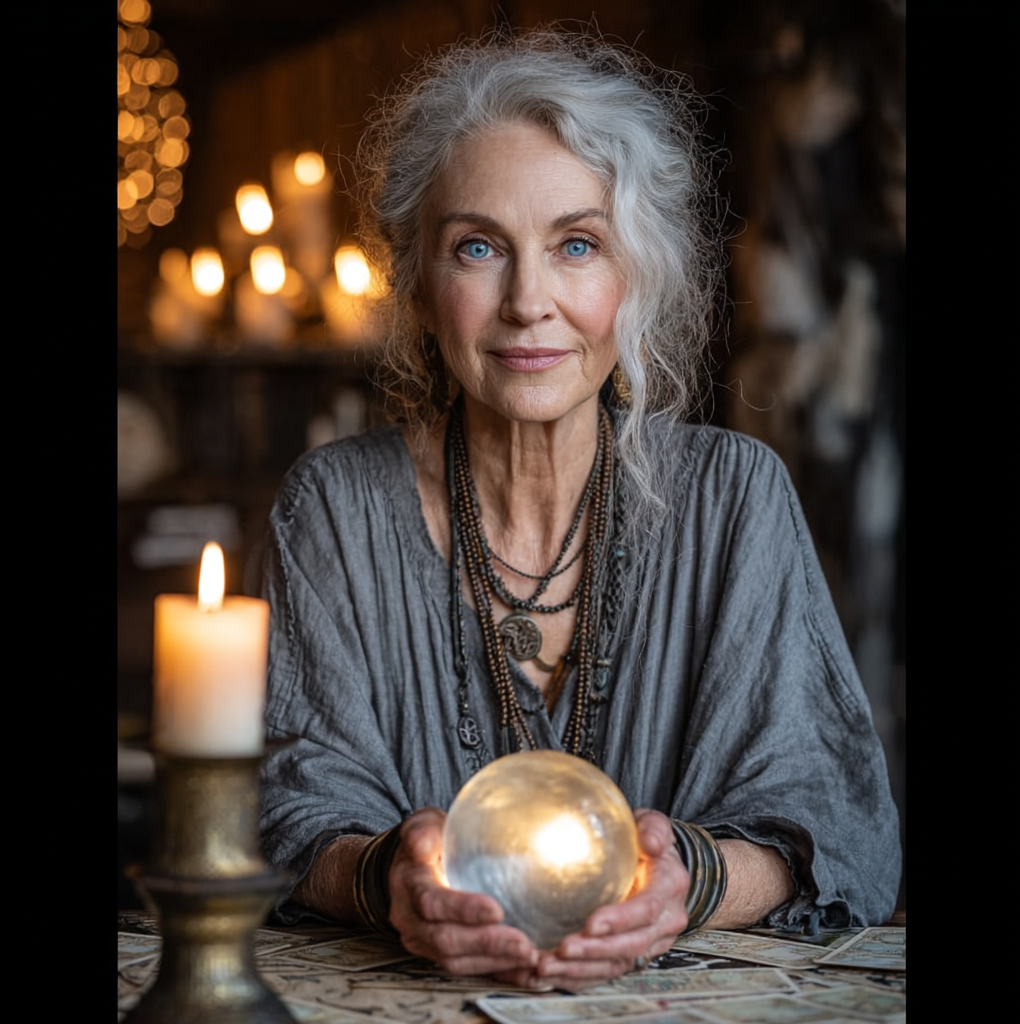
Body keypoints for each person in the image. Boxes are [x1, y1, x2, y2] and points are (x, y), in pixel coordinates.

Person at [259, 29, 901, 991]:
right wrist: (388, 878)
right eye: (478, 247)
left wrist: (690, 883)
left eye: (577, 245)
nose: (528, 302)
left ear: (634, 279)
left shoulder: (735, 497)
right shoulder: (335, 508)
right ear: (421, 288)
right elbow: (286, 816)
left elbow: (832, 825)